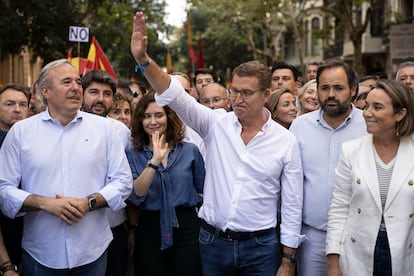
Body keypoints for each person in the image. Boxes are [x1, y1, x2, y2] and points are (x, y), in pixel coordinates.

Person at [131, 12, 304, 276]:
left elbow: (292, 203)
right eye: (234, 91)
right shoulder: (215, 124)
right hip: (213, 244)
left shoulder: (285, 141)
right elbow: (174, 95)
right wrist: (144, 61)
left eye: (246, 93)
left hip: (261, 247)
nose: (237, 99)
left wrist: (288, 260)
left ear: (266, 95)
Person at [0, 59, 132, 275]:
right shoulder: (21, 132)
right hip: (41, 254)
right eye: (66, 82)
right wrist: (44, 204)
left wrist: (88, 202)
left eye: (78, 82)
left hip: (92, 251)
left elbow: (124, 182)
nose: (75, 88)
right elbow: (3, 189)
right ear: (46, 92)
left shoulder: (105, 129)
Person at [327, 79, 414, 275]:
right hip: (359, 252)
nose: (366, 113)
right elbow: (339, 208)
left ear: (400, 113)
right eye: (366, 106)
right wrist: (333, 263)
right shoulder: (351, 150)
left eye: (377, 107)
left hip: (404, 254)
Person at [289, 60, 367, 276]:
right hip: (312, 237)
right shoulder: (300, 126)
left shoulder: (369, 125)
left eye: (338, 88)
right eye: (325, 88)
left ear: (352, 90)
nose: (331, 94)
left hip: (359, 235)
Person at [126, 92, 205, 276]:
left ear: (168, 118)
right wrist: (154, 161)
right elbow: (136, 196)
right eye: (146, 116)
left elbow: (204, 191)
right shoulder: (133, 154)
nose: (152, 121)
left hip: (187, 228)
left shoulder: (189, 151)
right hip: (150, 229)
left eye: (158, 115)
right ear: (140, 121)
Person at [81, 69, 132, 276]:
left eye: (107, 94)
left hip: (114, 228)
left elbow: (128, 178)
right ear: (81, 93)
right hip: (79, 229)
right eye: (94, 92)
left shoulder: (121, 131)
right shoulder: (62, 128)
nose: (100, 99)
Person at [0, 84, 30, 276]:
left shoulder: (37, 142)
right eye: (9, 104)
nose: (17, 110)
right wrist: (6, 265)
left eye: (22, 104)